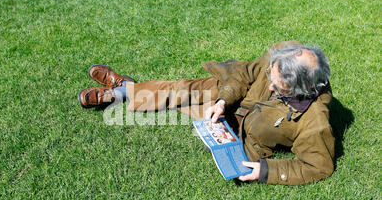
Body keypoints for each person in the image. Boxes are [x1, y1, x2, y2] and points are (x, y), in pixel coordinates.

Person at [78, 41, 335, 185]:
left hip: (246, 137)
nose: (269, 85)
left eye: (278, 87)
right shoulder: (285, 55)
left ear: (305, 89)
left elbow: (318, 167)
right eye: (272, 75)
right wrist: (223, 100)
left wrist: (265, 171)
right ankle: (124, 90)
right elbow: (246, 74)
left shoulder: (315, 121)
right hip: (237, 97)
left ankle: (127, 90)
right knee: (183, 90)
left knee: (185, 103)